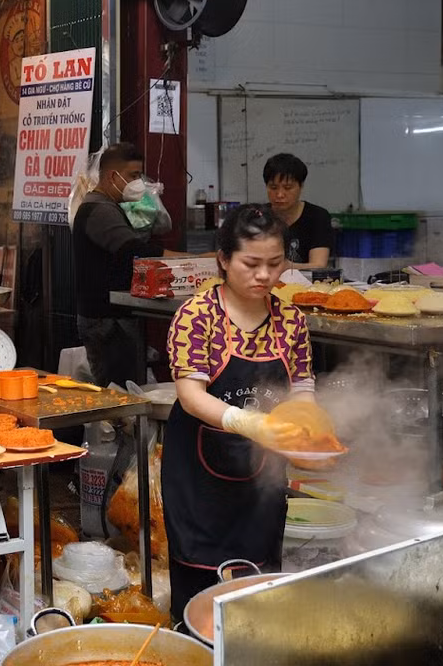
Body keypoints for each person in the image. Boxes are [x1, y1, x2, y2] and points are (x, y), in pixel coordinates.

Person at [161, 205, 314, 622]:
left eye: (275, 263)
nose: (264, 275)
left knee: (260, 592)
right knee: (201, 595)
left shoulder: (290, 320)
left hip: (261, 481)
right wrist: (247, 422)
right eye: (251, 263)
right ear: (224, 260)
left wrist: (310, 429)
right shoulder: (198, 316)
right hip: (199, 479)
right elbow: (191, 395)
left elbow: (300, 384)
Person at [72, 142, 165, 388]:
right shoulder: (98, 210)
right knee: (119, 394)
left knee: (124, 388)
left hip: (111, 318)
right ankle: (120, 428)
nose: (139, 183)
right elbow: (133, 251)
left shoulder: (109, 207)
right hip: (107, 321)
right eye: (134, 176)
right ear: (113, 176)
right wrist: (188, 260)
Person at [262, 153, 335, 270]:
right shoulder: (258, 217)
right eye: (273, 188)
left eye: (288, 188)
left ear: (301, 187)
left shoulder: (317, 216)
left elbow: (318, 265)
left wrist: (286, 266)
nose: (280, 195)